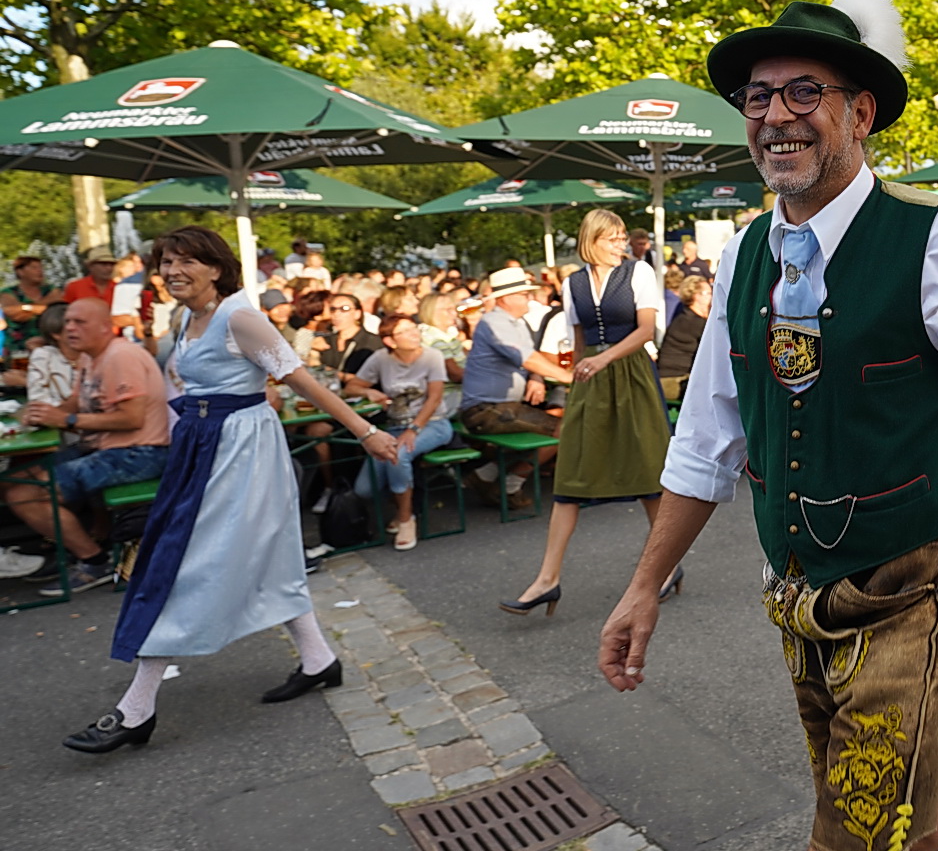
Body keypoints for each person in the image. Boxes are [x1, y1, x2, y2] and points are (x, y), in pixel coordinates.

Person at [598, 0, 938, 851]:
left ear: (859, 112)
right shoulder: (746, 253)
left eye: (804, 92)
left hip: (919, 591)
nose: (776, 116)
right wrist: (642, 587)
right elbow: (708, 439)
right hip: (799, 594)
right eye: (759, 96)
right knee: (910, 818)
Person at [62, 226, 400, 754]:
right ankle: (319, 660)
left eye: (185, 261)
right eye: (166, 262)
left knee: (185, 563)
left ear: (216, 268)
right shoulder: (187, 318)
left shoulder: (240, 317)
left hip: (240, 449)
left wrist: (368, 431)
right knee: (259, 555)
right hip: (202, 445)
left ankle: (136, 709)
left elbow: (300, 380)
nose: (172, 270)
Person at [503, 209, 671, 615]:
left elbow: (646, 331)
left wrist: (601, 360)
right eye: (612, 239)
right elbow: (578, 341)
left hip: (631, 374)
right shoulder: (572, 283)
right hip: (590, 380)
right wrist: (578, 377)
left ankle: (667, 567)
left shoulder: (639, 273)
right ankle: (547, 579)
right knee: (570, 476)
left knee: (649, 473)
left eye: (621, 239)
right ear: (591, 241)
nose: (622, 245)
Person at [4, 300, 172, 594]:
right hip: (103, 448)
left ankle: (95, 562)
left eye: (79, 322)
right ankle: (88, 545)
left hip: (140, 452)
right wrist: (42, 414)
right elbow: (75, 403)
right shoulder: (89, 357)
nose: (69, 327)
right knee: (13, 485)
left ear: (105, 326)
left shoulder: (121, 356)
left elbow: (133, 418)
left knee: (28, 495)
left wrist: (66, 418)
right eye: (68, 321)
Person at [459, 267, 573, 508]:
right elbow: (525, 357)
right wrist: (566, 377)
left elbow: (529, 358)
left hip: (495, 407)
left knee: (549, 424)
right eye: (524, 294)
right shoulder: (495, 322)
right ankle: (509, 486)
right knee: (564, 430)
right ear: (506, 298)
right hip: (485, 409)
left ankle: (484, 476)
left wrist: (536, 377)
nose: (529, 299)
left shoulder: (513, 322)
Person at [350, 313, 452, 552]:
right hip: (394, 426)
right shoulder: (380, 358)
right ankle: (400, 507)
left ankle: (407, 519)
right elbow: (352, 386)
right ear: (390, 341)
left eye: (414, 328)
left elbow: (435, 398)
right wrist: (369, 393)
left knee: (400, 454)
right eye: (405, 331)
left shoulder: (432, 356)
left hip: (433, 424)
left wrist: (414, 429)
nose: (414, 333)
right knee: (364, 489)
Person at [2, 255, 64, 369]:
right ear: (20, 272)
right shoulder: (8, 293)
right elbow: (14, 315)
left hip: (49, 347)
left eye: (41, 267)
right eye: (34, 268)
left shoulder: (52, 289)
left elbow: (56, 309)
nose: (40, 271)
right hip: (18, 351)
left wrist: (25, 308)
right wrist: (42, 307)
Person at [657, 276, 710, 401]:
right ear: (697, 296)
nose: (713, 297)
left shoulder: (684, 317)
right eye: (709, 293)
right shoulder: (695, 323)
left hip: (667, 379)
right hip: (675, 382)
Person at [28, 303, 79, 409]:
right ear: (56, 334)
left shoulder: (94, 356)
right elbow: (38, 400)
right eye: (71, 329)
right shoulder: (44, 356)